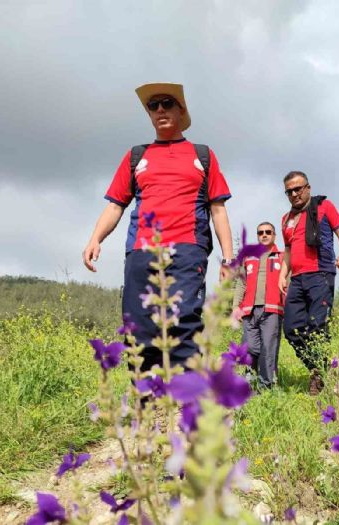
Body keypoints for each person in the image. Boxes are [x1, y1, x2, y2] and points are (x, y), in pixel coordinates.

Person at [83, 82, 235, 371]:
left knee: (184, 322)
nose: (160, 110)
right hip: (141, 251)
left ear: (181, 110)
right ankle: (146, 401)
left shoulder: (202, 155)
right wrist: (95, 238)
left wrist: (228, 258)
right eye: (153, 106)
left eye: (167, 103)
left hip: (188, 251)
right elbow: (116, 204)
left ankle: (182, 404)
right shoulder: (136, 156)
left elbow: (218, 209)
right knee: (138, 325)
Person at [278, 171, 339, 395]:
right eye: (289, 191)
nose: (294, 194)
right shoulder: (286, 219)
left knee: (317, 326)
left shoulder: (324, 206)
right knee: (291, 328)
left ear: (308, 188)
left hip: (320, 273)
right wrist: (283, 273)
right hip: (297, 279)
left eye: (298, 189)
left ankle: (318, 377)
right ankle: (320, 368)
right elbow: (288, 250)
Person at [232, 222, 284, 389]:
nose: (264, 234)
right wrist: (235, 306)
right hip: (249, 310)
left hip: (273, 309)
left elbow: (288, 282)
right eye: (260, 232)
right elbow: (241, 283)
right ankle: (249, 381)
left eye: (268, 231)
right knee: (250, 348)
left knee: (268, 349)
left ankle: (266, 387)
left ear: (274, 235)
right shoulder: (248, 257)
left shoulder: (282, 256)